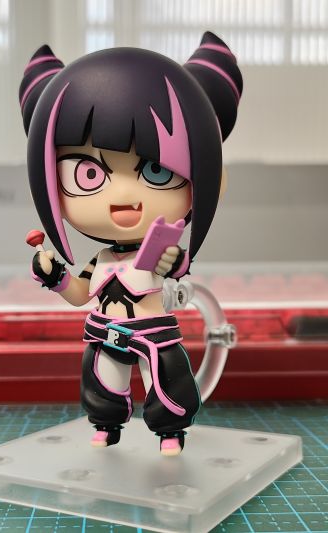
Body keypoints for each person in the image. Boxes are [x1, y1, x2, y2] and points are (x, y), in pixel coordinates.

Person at [19, 31, 242, 456]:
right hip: (106, 331)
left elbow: (175, 270)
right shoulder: (100, 260)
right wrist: (54, 277)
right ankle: (106, 424)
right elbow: (80, 294)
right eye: (88, 174)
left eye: (157, 170)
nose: (122, 196)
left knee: (166, 384)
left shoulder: (158, 252)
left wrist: (171, 259)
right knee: (103, 383)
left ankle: (170, 431)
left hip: (154, 335)